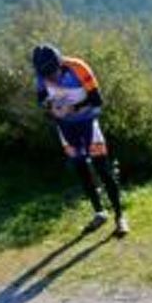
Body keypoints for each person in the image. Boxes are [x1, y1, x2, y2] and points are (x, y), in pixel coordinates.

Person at [30, 42, 128, 237]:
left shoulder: (78, 67)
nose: (51, 77)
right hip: (65, 127)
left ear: (60, 62)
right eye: (47, 75)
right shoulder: (41, 75)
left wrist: (72, 108)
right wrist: (51, 108)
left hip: (88, 122)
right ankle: (99, 213)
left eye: (53, 72)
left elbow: (97, 99)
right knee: (81, 169)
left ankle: (120, 217)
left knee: (102, 169)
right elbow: (41, 100)